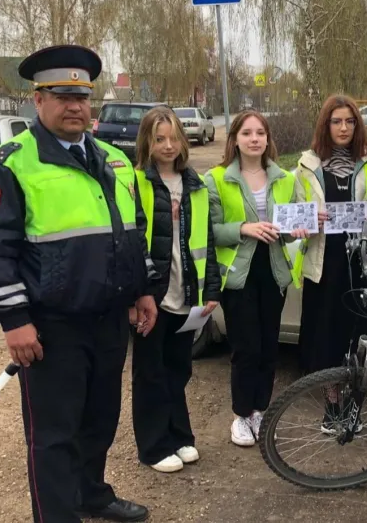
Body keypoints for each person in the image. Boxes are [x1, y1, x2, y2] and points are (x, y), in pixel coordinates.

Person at [0, 45, 155, 523]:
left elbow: (132, 233)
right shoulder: (9, 164)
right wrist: (15, 320)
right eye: (62, 95)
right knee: (54, 435)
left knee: (100, 421)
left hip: (109, 319)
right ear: (38, 99)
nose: (75, 106)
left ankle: (91, 494)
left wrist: (143, 289)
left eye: (82, 96)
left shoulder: (113, 159)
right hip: (52, 327)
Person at [131, 106, 221, 473]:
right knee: (150, 372)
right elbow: (132, 243)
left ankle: (180, 436)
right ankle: (153, 446)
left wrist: (211, 288)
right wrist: (138, 294)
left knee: (178, 370)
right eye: (159, 139)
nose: (168, 146)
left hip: (187, 295)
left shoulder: (194, 185)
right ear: (147, 144)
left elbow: (207, 241)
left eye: (173, 138)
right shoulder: (135, 182)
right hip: (153, 297)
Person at [204, 111, 303, 447]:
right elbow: (209, 230)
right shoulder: (216, 179)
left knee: (268, 348)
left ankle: (260, 410)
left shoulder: (285, 178)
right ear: (235, 139)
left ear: (268, 139)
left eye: (260, 132)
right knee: (245, 349)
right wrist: (243, 228)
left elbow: (290, 230)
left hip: (274, 272)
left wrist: (298, 228)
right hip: (239, 274)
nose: (254, 139)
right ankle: (240, 414)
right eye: (247, 133)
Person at [293, 95, 367, 431]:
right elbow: (295, 215)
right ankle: (332, 407)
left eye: (349, 121)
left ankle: (352, 407)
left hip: (361, 263)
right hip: (323, 263)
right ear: (325, 125)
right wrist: (306, 220)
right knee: (325, 339)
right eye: (336, 121)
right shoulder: (306, 165)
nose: (343, 128)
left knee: (357, 340)